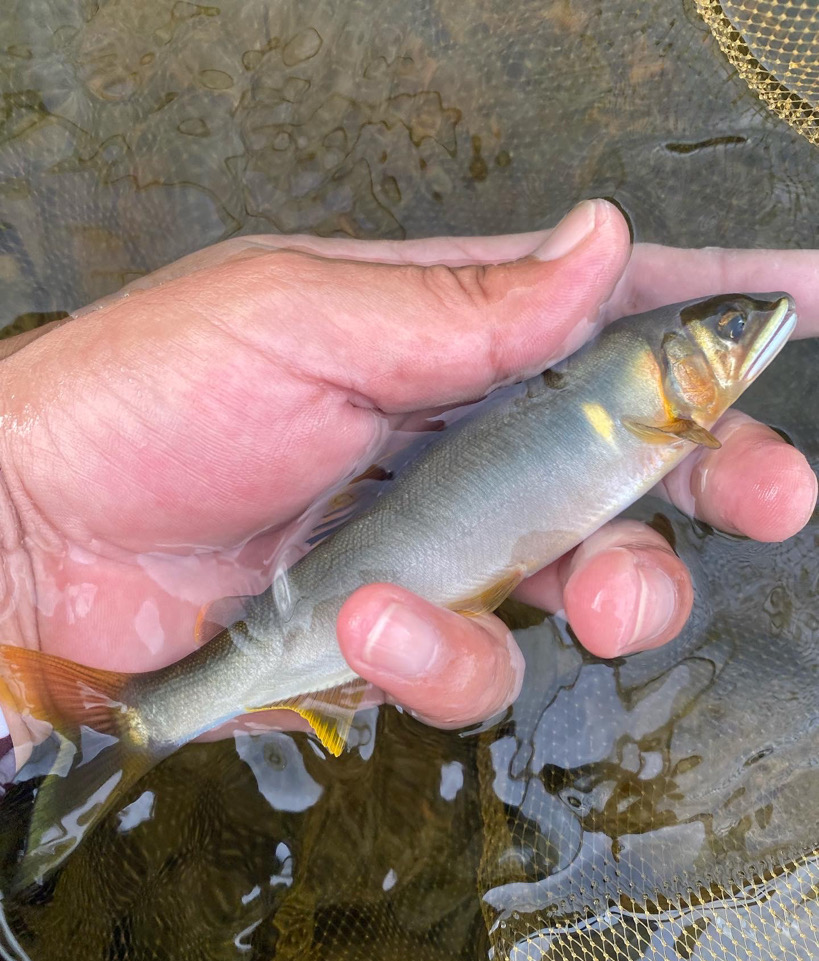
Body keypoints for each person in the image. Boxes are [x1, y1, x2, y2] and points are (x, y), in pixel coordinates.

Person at [0, 199, 815, 784]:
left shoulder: (654, 406)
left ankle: (139, 719)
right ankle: (148, 717)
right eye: (728, 331)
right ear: (666, 367)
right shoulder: (657, 407)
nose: (750, 328)